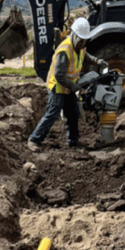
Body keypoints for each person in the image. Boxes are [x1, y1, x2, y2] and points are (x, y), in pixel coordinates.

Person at [28, 17, 99, 151]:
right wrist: (74, 86)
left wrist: (98, 61)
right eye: (80, 40)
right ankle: (34, 139)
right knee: (53, 113)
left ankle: (73, 141)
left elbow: (86, 56)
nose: (82, 43)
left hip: (69, 86)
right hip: (58, 86)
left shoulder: (81, 47)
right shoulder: (64, 51)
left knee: (72, 113)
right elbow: (59, 76)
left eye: (85, 41)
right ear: (74, 35)